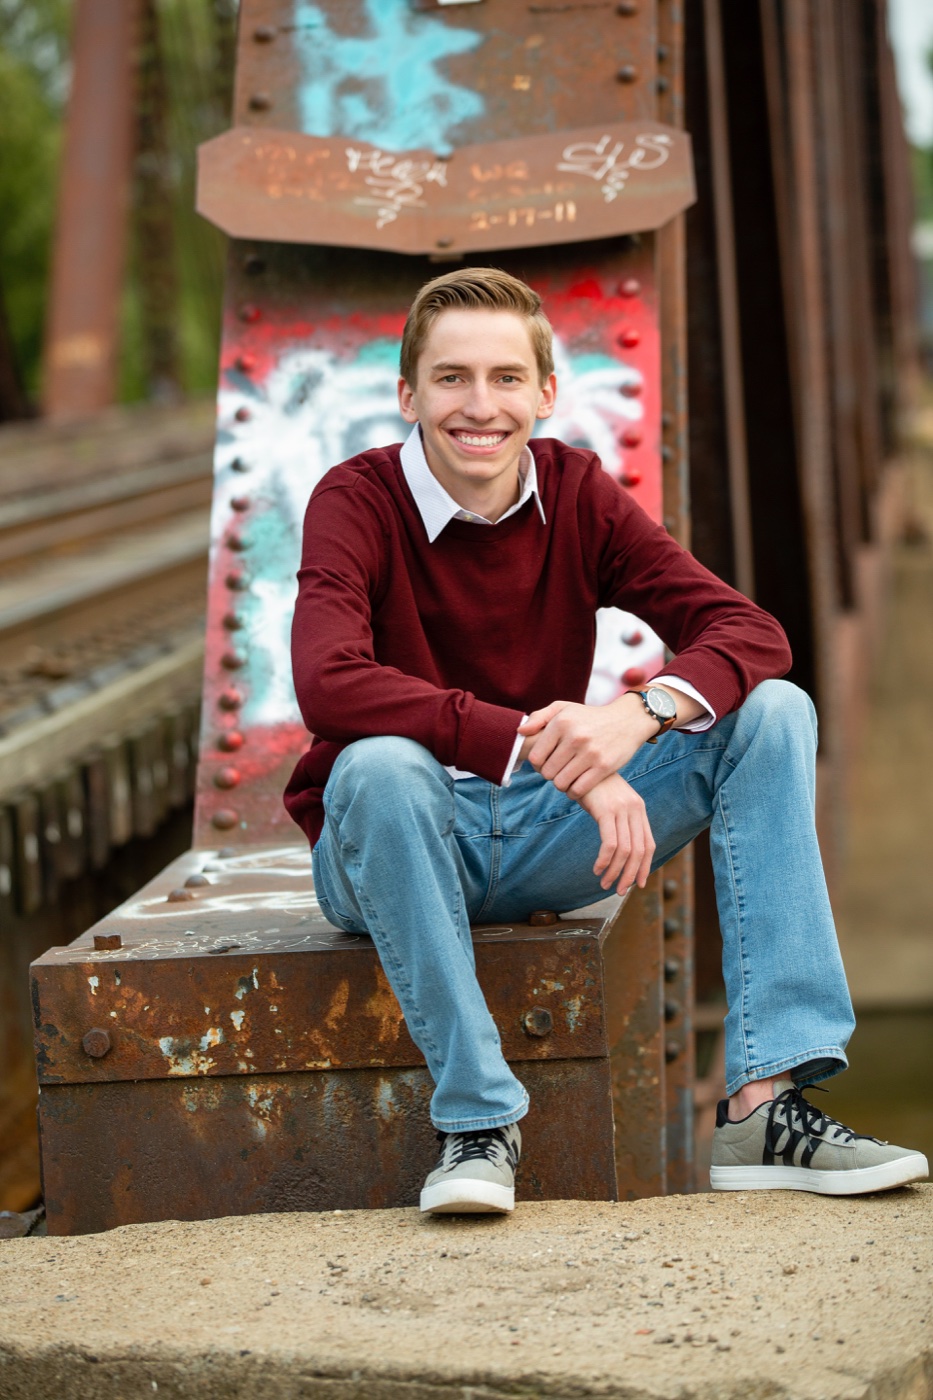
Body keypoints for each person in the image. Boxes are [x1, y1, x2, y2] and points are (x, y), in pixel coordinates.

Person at [284, 267, 928, 1214]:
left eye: (506, 378)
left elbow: (750, 632)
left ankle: (764, 1103)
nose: (479, 405)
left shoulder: (576, 493)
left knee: (772, 711)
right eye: (451, 378)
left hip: (539, 836)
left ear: (546, 393)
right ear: (408, 396)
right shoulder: (356, 499)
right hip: (394, 843)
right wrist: (550, 751)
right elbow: (327, 680)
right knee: (380, 765)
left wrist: (635, 717)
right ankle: (477, 1121)